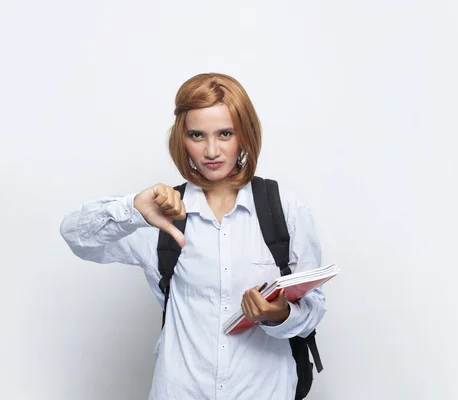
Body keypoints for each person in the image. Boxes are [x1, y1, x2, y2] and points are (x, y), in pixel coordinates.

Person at [60, 73, 327, 400]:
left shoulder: (282, 207)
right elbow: (75, 236)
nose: (211, 150)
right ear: (181, 139)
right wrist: (131, 207)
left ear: (244, 134)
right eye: (197, 135)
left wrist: (279, 315)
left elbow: (313, 309)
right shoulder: (160, 212)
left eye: (225, 134)